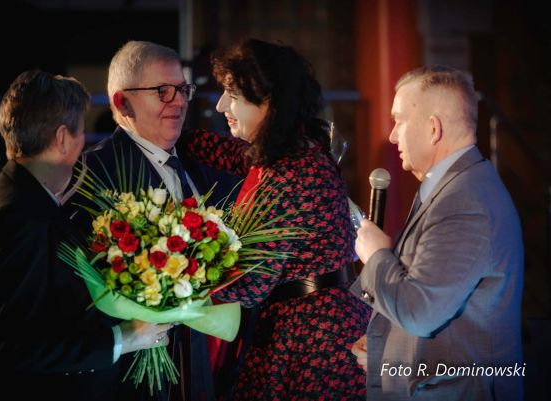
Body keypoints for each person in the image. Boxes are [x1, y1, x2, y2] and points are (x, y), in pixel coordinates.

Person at [181, 38, 370, 400]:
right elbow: (230, 153)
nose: (221, 105)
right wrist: (171, 136)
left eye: (232, 95)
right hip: (320, 323)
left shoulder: (290, 171)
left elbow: (249, 284)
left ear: (269, 101)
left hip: (310, 340)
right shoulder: (293, 151)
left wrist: (170, 277)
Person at [0, 70, 171, 401]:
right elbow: (16, 345)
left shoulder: (16, 189)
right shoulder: (21, 214)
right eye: (80, 132)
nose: (83, 144)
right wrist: (124, 338)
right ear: (62, 138)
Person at [66, 40, 240, 401]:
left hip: (201, 368)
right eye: (162, 91)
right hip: (132, 376)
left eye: (182, 90)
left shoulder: (203, 162)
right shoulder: (93, 173)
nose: (178, 102)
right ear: (122, 103)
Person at [350, 66, 524, 401]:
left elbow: (419, 311)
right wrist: (385, 350)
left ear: (433, 128)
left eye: (399, 120)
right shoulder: (452, 187)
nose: (393, 136)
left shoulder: (465, 201)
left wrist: (376, 255)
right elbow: (435, 299)